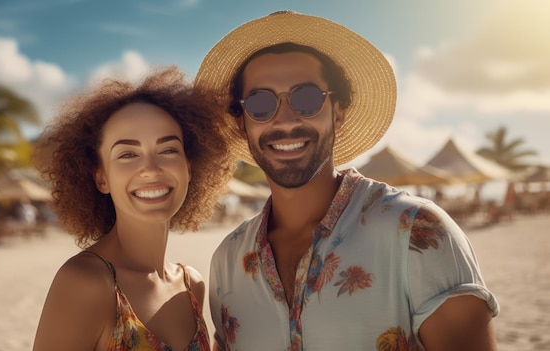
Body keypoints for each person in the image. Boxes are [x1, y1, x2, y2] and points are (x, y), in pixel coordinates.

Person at [195, 10, 499, 350]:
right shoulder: (227, 261)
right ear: (242, 122)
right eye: (261, 103)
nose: (285, 119)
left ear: (338, 110)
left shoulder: (418, 231)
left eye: (306, 98)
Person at [32, 66, 235, 351]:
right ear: (101, 177)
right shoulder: (85, 283)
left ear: (189, 167)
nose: (151, 169)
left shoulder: (192, 286)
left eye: (168, 150)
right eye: (128, 154)